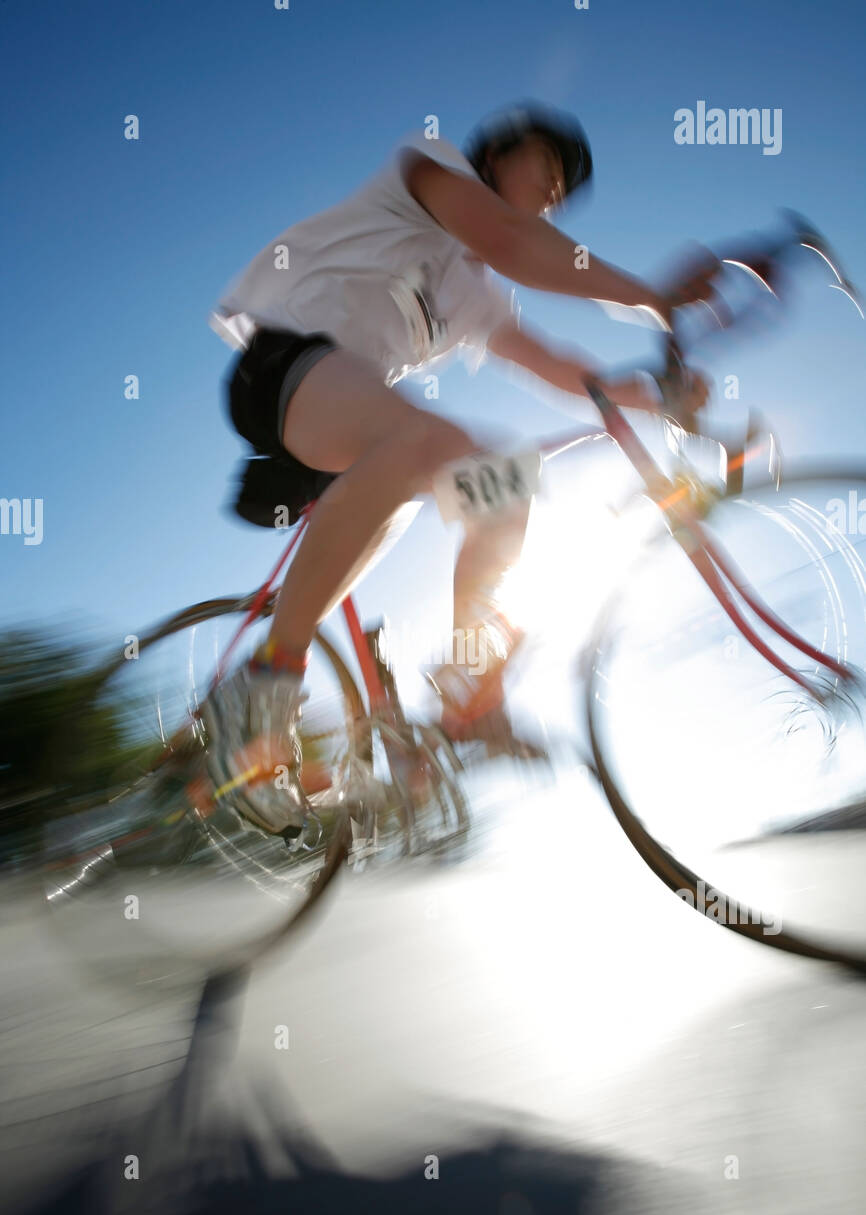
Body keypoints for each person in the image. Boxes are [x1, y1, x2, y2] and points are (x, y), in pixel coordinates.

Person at [204, 102, 714, 835]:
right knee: (429, 441)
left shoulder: (473, 291)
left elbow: (556, 367)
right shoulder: (430, 165)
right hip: (281, 368)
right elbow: (511, 241)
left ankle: (469, 690)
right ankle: (262, 687)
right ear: (498, 153)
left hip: (358, 426)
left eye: (564, 192)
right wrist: (651, 297)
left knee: (503, 481)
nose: (555, 191)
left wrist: (656, 397)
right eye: (548, 166)